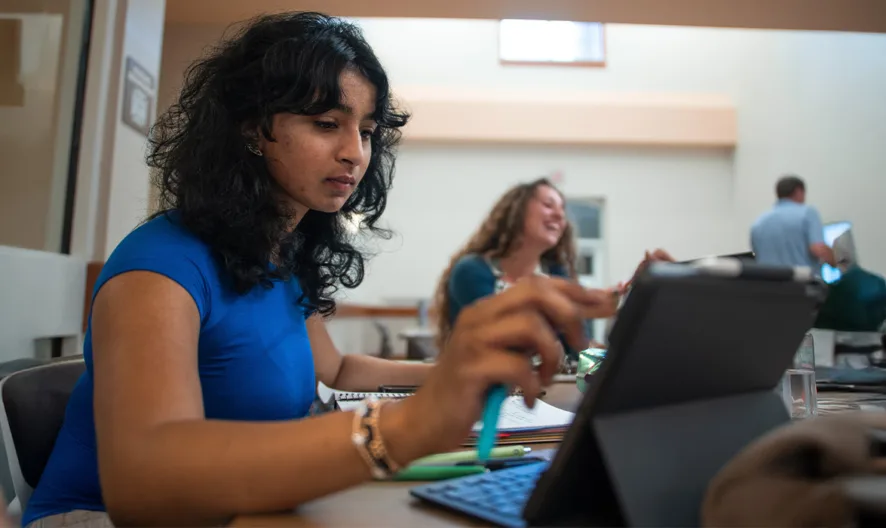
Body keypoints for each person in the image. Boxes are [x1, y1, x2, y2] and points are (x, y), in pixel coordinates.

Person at [23, 13, 616, 528]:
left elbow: (336, 367)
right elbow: (144, 486)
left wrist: (453, 373)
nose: (356, 152)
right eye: (328, 124)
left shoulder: (275, 253)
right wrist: (404, 426)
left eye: (366, 130)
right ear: (254, 129)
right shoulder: (159, 268)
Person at [434, 178, 674, 354]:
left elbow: (581, 353)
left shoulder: (556, 274)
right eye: (549, 205)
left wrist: (637, 291)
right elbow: (503, 337)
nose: (560, 216)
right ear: (516, 212)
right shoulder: (472, 270)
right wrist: (586, 305)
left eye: (562, 210)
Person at [750, 175, 836, 271]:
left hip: (769, 284)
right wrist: (836, 261)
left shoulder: (759, 223)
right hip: (803, 283)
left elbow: (758, 256)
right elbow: (818, 249)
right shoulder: (807, 213)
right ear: (799, 191)